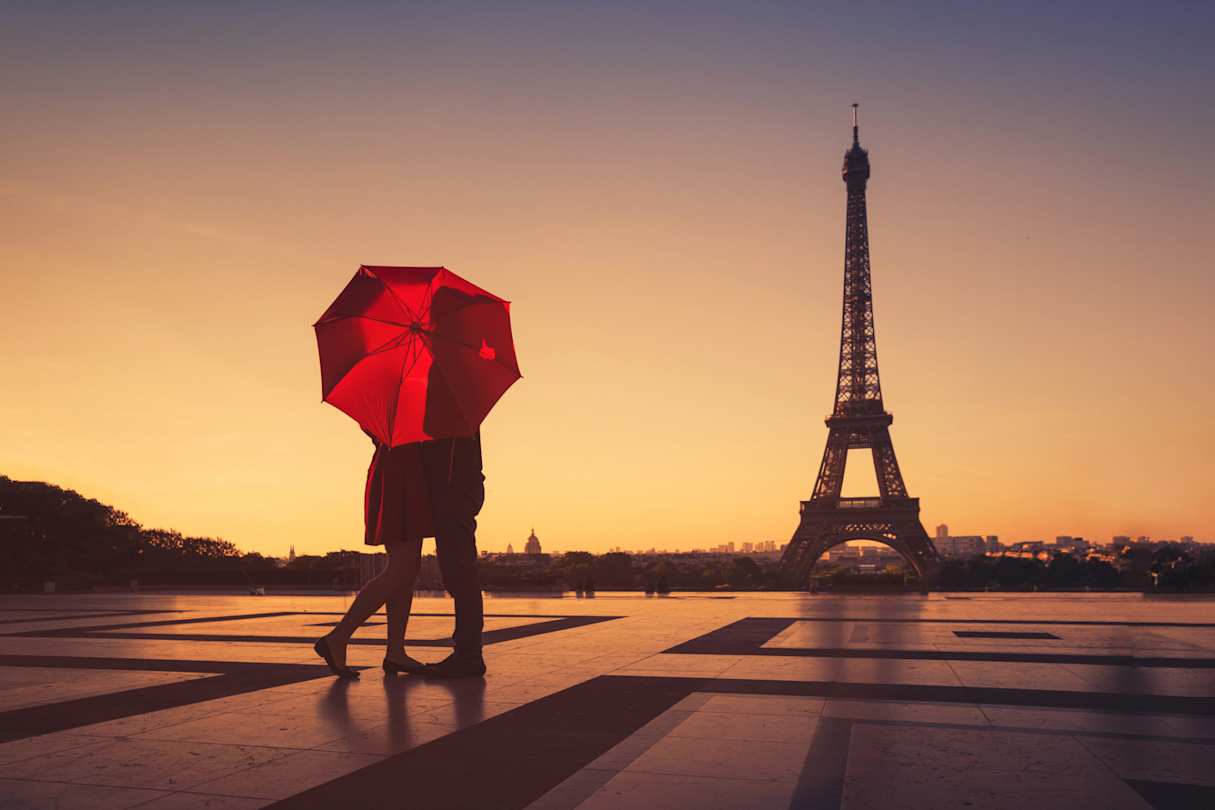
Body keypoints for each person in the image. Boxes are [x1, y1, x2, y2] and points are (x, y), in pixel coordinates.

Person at [313, 437, 431, 678]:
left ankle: (395, 651)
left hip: (402, 474)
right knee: (402, 568)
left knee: (406, 572)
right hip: (401, 476)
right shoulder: (401, 411)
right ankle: (338, 637)